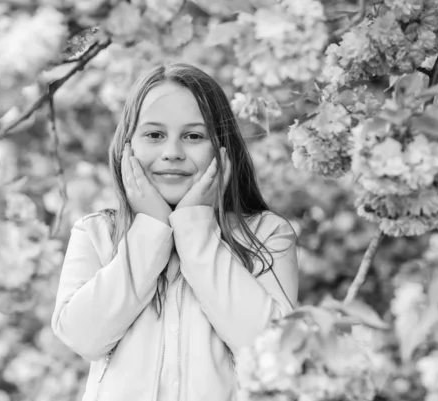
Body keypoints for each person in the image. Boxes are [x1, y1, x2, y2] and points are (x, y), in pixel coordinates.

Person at [51, 62, 299, 401]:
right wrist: (151, 229)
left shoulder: (267, 234)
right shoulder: (97, 233)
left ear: (222, 149)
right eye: (154, 135)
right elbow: (83, 335)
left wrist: (195, 229)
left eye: (194, 136)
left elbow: (270, 344)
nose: (172, 153)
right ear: (128, 148)